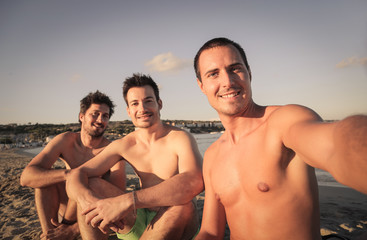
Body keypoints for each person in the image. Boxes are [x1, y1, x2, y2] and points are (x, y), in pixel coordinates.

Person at [193, 37, 367, 240]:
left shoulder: (284, 121)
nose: (227, 82)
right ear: (201, 86)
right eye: (213, 74)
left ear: (249, 73)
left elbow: (336, 147)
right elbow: (211, 232)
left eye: (235, 69)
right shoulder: (213, 155)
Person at [65, 73, 203, 240]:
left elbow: (193, 181)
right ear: (129, 111)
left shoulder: (180, 138)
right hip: (138, 219)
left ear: (159, 104)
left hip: (175, 220)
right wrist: (87, 200)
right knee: (90, 184)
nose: (142, 109)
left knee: (184, 206)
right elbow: (76, 175)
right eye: (135, 103)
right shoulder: (124, 144)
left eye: (148, 101)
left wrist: (127, 201)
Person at [20, 91, 124, 240]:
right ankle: (50, 235)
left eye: (105, 116)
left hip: (94, 212)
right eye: (95, 114)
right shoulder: (66, 140)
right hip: (64, 210)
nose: (100, 119)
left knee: (85, 180)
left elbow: (117, 199)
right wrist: (69, 174)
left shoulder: (112, 151)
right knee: (45, 181)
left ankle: (65, 232)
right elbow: (26, 177)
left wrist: (72, 230)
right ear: (81, 116)